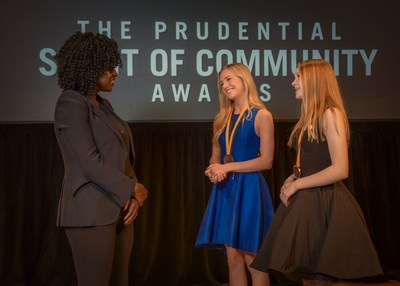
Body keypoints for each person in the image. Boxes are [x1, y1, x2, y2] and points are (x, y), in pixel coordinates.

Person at [251, 59, 383, 285]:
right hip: (307, 201)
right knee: (306, 271)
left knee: (321, 272)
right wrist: (291, 179)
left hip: (324, 203)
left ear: (314, 80)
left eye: (297, 77)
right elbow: (305, 165)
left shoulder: (331, 114)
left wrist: (298, 185)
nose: (293, 83)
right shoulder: (308, 119)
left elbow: (340, 169)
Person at [53, 31, 148, 286]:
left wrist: (133, 196)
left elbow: (121, 157)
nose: (115, 72)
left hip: (121, 209)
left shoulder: (103, 105)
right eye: (107, 66)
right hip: (89, 211)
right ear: (89, 66)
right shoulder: (70, 103)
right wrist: (133, 188)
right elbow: (90, 162)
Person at [195, 63, 275, 286]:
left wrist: (227, 168)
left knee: (253, 258)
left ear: (244, 79)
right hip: (226, 192)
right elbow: (216, 156)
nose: (225, 86)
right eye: (221, 83)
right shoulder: (221, 119)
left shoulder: (262, 116)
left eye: (229, 79)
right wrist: (213, 169)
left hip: (249, 190)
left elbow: (266, 161)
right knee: (232, 258)